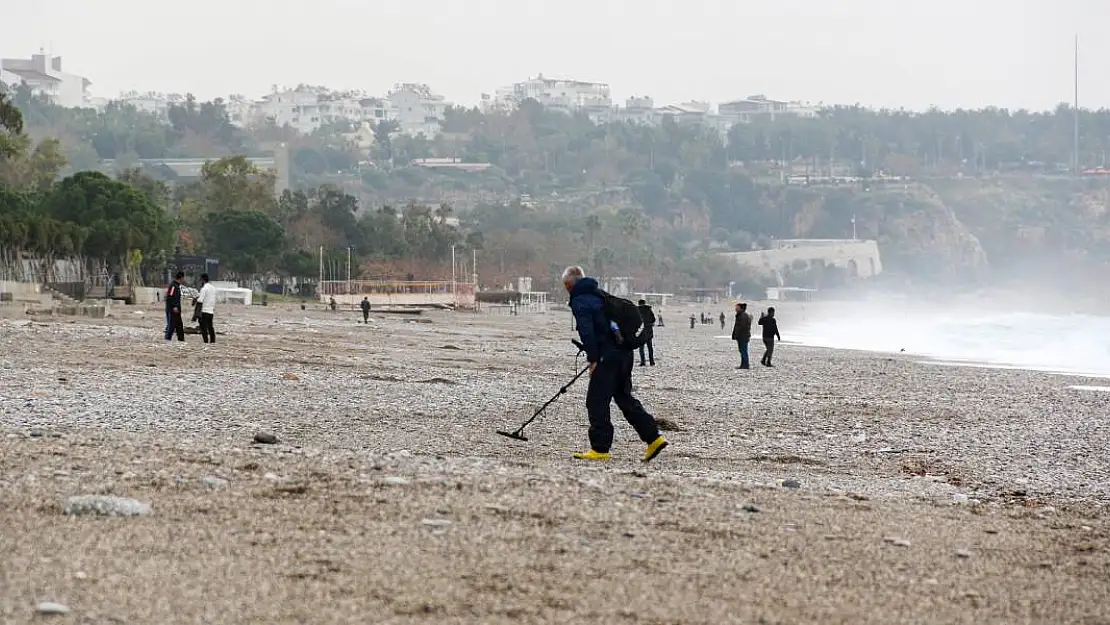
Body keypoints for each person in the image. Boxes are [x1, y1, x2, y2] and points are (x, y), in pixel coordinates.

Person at [563, 265, 668, 463]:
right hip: (624, 353)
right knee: (623, 397)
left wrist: (593, 359)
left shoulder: (580, 300)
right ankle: (654, 438)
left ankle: (600, 449)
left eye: (565, 285)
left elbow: (588, 332)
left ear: (569, 284)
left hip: (607, 357)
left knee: (596, 401)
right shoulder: (600, 294)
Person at [164, 271, 185, 343]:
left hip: (177, 310)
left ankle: (181, 341)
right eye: (183, 278)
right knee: (171, 326)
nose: (183, 280)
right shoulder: (173, 286)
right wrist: (174, 306)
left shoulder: (177, 286)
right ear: (181, 278)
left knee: (179, 326)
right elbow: (169, 296)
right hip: (172, 310)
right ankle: (167, 340)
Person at [196, 274, 217, 344]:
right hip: (211, 311)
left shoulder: (204, 288)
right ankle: (212, 341)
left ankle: (205, 341)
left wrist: (195, 299)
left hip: (204, 311)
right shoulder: (213, 288)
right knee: (210, 327)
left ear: (202, 280)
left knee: (203, 327)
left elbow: (200, 300)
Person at [731, 302, 752, 369]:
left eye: (737, 307)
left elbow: (741, 327)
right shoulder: (740, 315)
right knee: (742, 350)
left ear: (741, 308)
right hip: (742, 336)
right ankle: (743, 364)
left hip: (743, 336)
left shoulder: (743, 316)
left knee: (743, 350)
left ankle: (745, 365)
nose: (735, 308)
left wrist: (736, 335)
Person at [636, 299, 656, 367]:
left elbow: (636, 320)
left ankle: (643, 362)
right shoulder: (649, 310)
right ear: (644, 303)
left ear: (639, 303)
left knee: (641, 347)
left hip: (641, 331)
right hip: (649, 330)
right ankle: (652, 362)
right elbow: (653, 319)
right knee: (650, 347)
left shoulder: (637, 310)